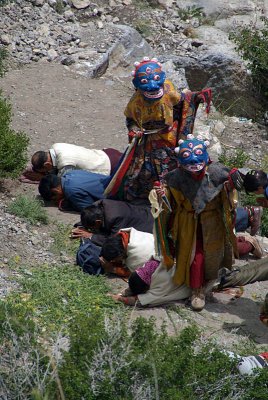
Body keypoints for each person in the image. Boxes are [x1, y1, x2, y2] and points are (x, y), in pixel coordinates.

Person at [151, 134, 245, 311]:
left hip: (212, 222)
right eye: (188, 164)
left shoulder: (217, 172)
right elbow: (169, 203)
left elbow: (230, 192)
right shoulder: (175, 178)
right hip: (188, 223)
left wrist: (232, 182)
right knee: (196, 257)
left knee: (215, 253)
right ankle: (197, 290)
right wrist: (160, 195)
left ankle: (213, 276)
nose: (194, 167)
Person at [105, 56, 212, 203]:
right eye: (145, 83)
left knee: (176, 164)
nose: (153, 87)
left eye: (157, 81)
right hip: (149, 139)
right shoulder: (135, 103)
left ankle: (176, 196)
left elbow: (184, 101)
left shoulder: (169, 91)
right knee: (143, 169)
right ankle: (149, 197)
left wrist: (196, 96)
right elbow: (130, 120)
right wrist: (134, 129)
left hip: (170, 135)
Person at [71, 199, 154, 246]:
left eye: (92, 228)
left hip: (149, 225)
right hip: (143, 211)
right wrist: (81, 226)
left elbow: (112, 242)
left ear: (98, 222)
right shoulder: (99, 205)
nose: (90, 230)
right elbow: (89, 214)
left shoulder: (116, 218)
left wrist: (91, 236)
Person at [31, 143, 122, 177]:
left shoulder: (65, 164)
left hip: (110, 167)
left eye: (45, 170)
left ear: (47, 164)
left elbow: (62, 182)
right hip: (107, 153)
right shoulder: (56, 146)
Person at [38, 169, 109, 212]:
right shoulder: (71, 173)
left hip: (115, 196)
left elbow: (90, 209)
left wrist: (66, 205)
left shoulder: (70, 191)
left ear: (55, 191)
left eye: (55, 198)